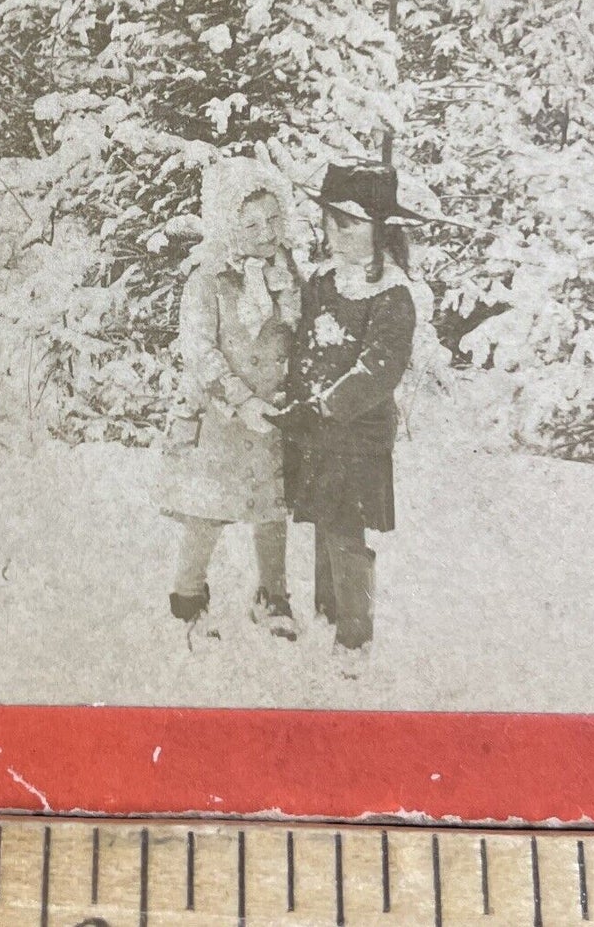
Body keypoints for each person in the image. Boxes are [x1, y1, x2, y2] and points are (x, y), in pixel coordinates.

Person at [280, 163, 420, 665]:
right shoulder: (323, 280)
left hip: (357, 436)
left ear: (381, 231)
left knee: (345, 530)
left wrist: (326, 406)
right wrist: (294, 402)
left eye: (350, 225)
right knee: (322, 518)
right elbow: (303, 347)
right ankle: (327, 607)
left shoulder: (391, 294)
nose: (336, 235)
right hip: (315, 431)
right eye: (331, 223)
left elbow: (379, 369)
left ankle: (354, 633)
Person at [159, 156, 303, 639]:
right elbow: (198, 350)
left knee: (271, 508)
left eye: (273, 219)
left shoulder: (288, 273)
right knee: (208, 509)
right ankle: (189, 594)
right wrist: (239, 398)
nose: (266, 232)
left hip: (271, 414)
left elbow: (296, 338)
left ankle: (273, 594)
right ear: (227, 223)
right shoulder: (206, 280)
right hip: (218, 416)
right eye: (251, 223)